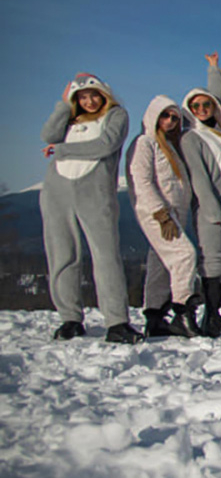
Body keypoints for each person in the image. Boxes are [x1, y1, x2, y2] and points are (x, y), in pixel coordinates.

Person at [40, 73, 142, 344]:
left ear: (104, 94)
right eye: (81, 97)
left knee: (105, 256)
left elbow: (105, 145)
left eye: (93, 94)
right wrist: (63, 105)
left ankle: (117, 321)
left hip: (95, 193)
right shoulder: (70, 120)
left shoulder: (116, 116)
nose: (88, 101)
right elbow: (47, 135)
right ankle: (70, 318)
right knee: (62, 255)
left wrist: (61, 150)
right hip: (56, 191)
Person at [180, 54, 221, 337]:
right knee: (212, 258)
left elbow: (215, 98)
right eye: (197, 106)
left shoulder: (218, 131)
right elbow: (198, 176)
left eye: (207, 105)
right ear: (189, 110)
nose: (203, 108)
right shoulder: (191, 137)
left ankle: (216, 312)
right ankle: (209, 314)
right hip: (213, 205)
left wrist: (215, 70)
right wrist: (210, 207)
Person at [127, 95, 201, 338]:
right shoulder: (144, 143)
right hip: (158, 215)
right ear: (153, 116)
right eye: (165, 115)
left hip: (174, 213)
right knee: (184, 254)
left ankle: (155, 316)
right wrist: (159, 213)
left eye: (174, 117)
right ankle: (182, 311)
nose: (169, 121)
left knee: (159, 263)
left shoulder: (168, 145)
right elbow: (142, 180)